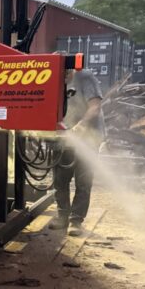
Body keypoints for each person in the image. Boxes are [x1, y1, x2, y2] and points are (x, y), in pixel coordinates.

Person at [50, 68, 103, 237]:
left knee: (83, 180)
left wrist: (80, 126)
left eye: (63, 74)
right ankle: (62, 216)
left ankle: (76, 220)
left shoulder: (85, 77)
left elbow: (95, 107)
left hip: (88, 137)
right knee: (60, 179)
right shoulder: (53, 79)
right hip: (64, 135)